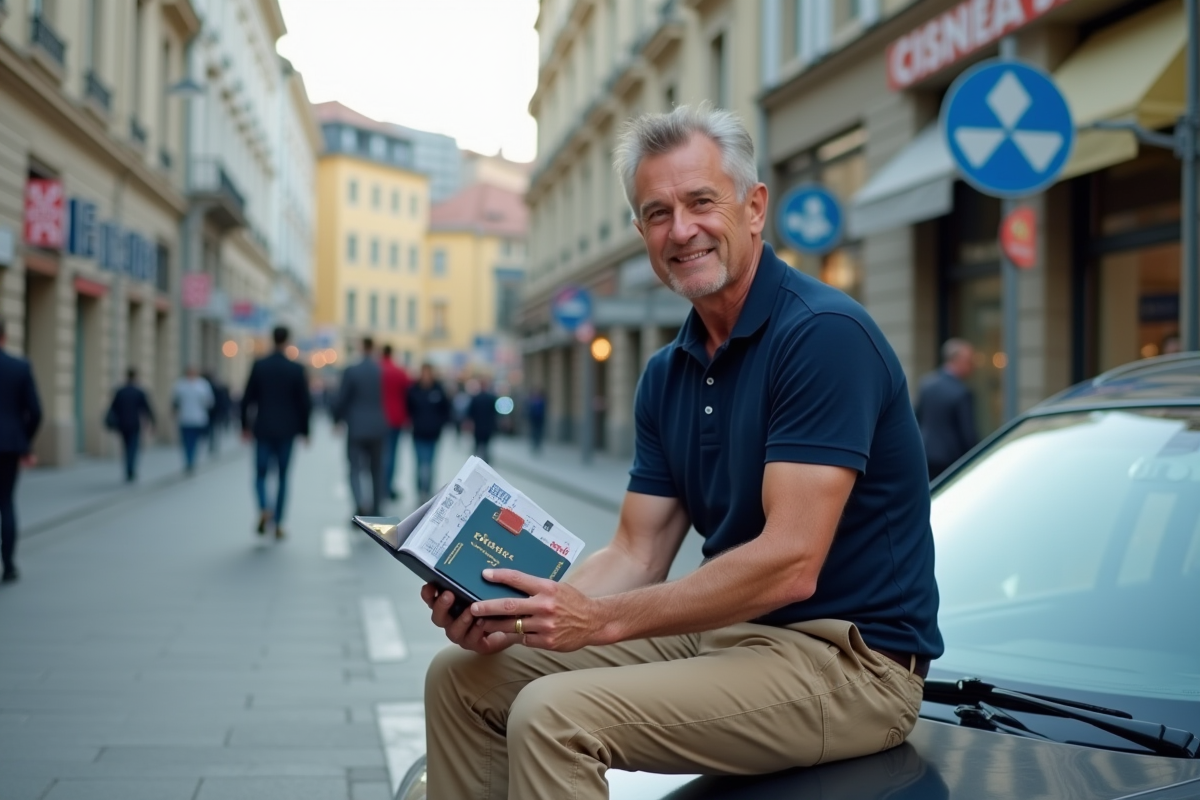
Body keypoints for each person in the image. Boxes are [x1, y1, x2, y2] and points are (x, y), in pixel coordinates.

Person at [421, 105, 942, 800]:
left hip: (850, 665)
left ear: (754, 207)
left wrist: (598, 621)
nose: (681, 230)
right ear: (641, 233)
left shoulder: (823, 336)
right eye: (657, 212)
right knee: (461, 678)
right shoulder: (668, 372)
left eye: (701, 202)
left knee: (554, 716)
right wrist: (514, 615)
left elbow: (791, 563)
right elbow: (636, 553)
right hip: (729, 636)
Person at [240, 326, 311, 539]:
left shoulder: (260, 365)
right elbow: (305, 403)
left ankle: (264, 507)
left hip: (263, 428)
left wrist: (244, 426)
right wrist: (305, 430)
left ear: (272, 339)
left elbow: (247, 398)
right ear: (287, 341)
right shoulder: (296, 369)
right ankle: (279, 523)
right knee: (283, 476)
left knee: (260, 474)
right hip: (287, 430)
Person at [0, 318, 42, 583]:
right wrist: (24, 442)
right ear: (4, 337)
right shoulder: (20, 366)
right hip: (9, 445)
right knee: (6, 502)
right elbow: (36, 412)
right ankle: (9, 566)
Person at [333, 337, 388, 516]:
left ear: (360, 347)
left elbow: (342, 398)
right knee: (377, 469)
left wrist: (337, 419)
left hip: (356, 427)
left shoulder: (351, 370)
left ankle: (359, 503)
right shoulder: (381, 371)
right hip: (378, 426)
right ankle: (376, 506)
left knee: (355, 468)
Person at [915, 338, 979, 480]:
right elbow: (968, 435)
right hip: (952, 460)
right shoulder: (961, 392)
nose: (972, 366)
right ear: (957, 360)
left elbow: (917, 420)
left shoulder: (927, 385)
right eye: (969, 361)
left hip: (926, 454)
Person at [406, 363, 452, 504]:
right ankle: (420, 490)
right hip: (418, 433)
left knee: (430, 464)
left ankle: (428, 491)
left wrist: (440, 424)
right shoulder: (414, 389)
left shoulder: (438, 390)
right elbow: (409, 407)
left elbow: (446, 409)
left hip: (433, 434)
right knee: (420, 464)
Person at [106, 368, 155, 482]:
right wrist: (152, 422)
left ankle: (128, 469)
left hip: (122, 424)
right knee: (133, 447)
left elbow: (113, 408)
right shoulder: (139, 392)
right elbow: (147, 408)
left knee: (126, 447)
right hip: (134, 424)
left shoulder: (120, 391)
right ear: (136, 377)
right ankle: (131, 469)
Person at [379, 344, 412, 501]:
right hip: (396, 419)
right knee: (392, 454)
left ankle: (379, 485)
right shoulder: (400, 372)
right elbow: (409, 394)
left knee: (378, 455)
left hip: (378, 419)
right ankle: (387, 486)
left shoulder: (376, 370)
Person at [172, 365, 213, 474]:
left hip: (198, 419)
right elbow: (175, 402)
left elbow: (209, 402)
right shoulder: (180, 385)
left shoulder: (202, 385)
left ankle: (191, 460)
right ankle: (189, 461)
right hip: (185, 419)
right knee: (187, 442)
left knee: (195, 442)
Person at [464, 376, 498, 462]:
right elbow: (495, 413)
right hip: (487, 427)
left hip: (478, 427)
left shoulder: (476, 398)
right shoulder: (491, 398)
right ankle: (485, 463)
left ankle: (475, 462)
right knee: (486, 447)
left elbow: (470, 413)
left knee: (477, 447)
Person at [526, 387, 547, 453]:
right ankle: (534, 445)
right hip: (533, 420)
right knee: (533, 432)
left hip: (539, 420)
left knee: (539, 432)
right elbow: (529, 410)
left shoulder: (542, 401)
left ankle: (538, 445)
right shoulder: (532, 401)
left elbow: (543, 411)